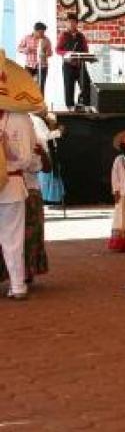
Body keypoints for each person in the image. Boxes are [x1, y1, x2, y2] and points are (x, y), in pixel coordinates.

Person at [0, 51, 42, 300]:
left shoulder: (19, 118)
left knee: (11, 238)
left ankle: (18, 285)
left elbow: (27, 160)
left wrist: (7, 150)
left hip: (11, 183)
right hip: (11, 186)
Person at [56, 14, 91, 108]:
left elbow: (86, 50)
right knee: (69, 88)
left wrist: (82, 55)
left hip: (80, 65)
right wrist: (67, 53)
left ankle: (85, 105)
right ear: (66, 23)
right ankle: (70, 107)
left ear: (77, 24)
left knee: (87, 86)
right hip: (68, 65)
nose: (71, 24)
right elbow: (58, 50)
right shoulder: (64, 35)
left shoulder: (81, 36)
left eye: (73, 22)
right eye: (69, 22)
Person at [17, 22, 52, 94]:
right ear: (35, 31)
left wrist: (46, 53)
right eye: (40, 32)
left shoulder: (46, 40)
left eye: (43, 32)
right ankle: (28, 103)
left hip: (42, 66)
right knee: (27, 85)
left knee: (40, 86)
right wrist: (26, 50)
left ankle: (40, 104)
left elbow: (50, 53)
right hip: (29, 65)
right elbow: (19, 48)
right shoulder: (27, 38)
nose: (42, 34)